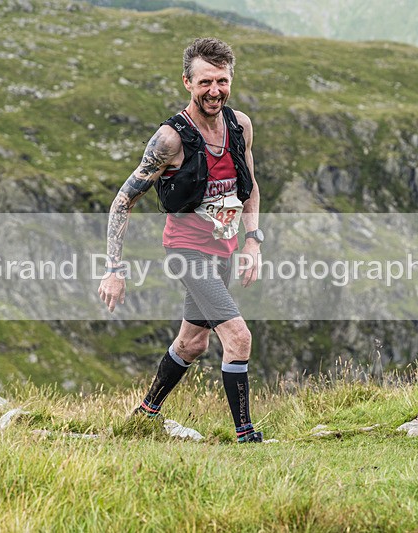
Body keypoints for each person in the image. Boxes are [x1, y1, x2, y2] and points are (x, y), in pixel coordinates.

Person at [97, 37, 265, 443]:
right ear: (187, 82)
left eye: (222, 81)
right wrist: (114, 269)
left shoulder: (240, 126)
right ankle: (246, 437)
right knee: (238, 337)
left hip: (223, 250)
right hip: (187, 252)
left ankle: (144, 415)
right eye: (205, 82)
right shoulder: (169, 140)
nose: (214, 91)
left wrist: (252, 241)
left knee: (192, 343)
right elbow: (122, 202)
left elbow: (250, 185)